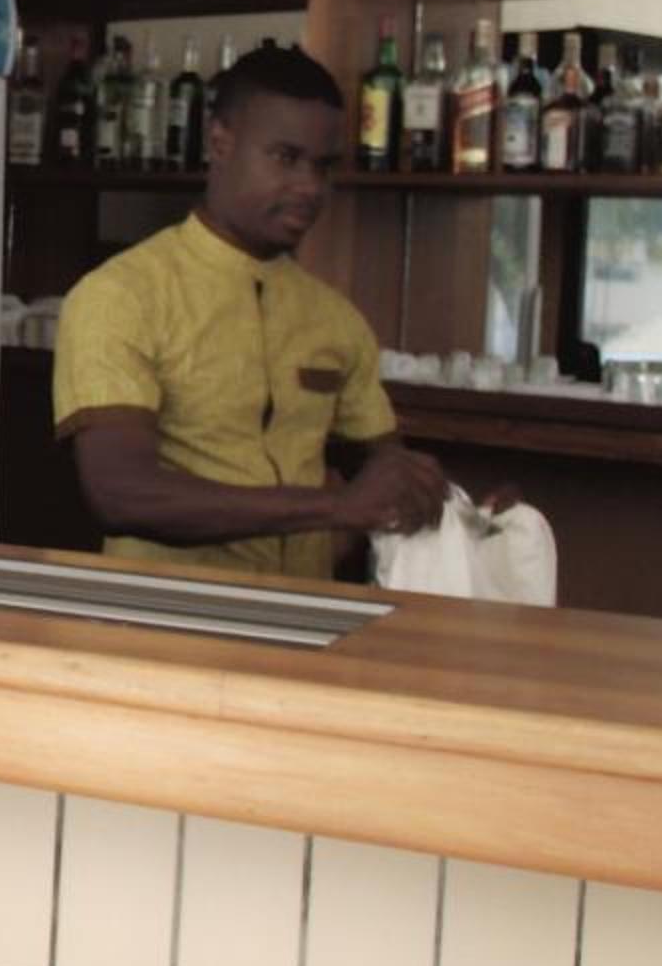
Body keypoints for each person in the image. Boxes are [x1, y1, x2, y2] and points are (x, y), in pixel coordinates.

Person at [54, 42, 451, 582]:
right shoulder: (121, 295)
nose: (309, 187)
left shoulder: (335, 319)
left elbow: (385, 473)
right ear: (220, 143)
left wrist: (461, 513)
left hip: (306, 615)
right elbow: (122, 493)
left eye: (323, 166)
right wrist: (334, 508)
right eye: (286, 158)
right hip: (164, 617)